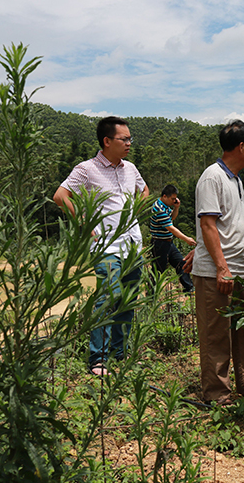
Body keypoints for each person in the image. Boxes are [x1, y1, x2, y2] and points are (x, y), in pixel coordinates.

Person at [189, 120, 244, 404]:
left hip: (237, 270)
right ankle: (217, 394)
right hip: (219, 272)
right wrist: (221, 267)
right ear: (240, 146)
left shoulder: (235, 179)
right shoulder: (212, 177)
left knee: (243, 329)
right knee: (216, 334)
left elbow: (223, 226)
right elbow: (208, 225)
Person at [53, 116, 149, 376]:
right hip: (106, 245)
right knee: (107, 298)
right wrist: (83, 221)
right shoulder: (87, 169)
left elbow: (144, 190)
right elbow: (61, 196)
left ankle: (121, 353)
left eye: (130, 138)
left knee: (127, 300)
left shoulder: (130, 169)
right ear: (107, 141)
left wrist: (135, 212)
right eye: (124, 139)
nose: (129, 143)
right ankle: (99, 359)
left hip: (132, 244)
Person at [149, 184, 196, 293]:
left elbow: (172, 217)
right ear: (165, 196)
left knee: (181, 263)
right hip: (159, 243)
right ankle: (151, 295)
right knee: (158, 271)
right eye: (172, 199)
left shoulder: (165, 206)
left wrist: (176, 207)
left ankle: (189, 288)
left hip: (168, 242)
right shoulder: (158, 208)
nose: (174, 201)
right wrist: (186, 239)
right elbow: (171, 228)